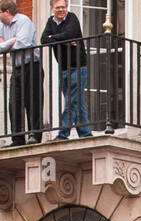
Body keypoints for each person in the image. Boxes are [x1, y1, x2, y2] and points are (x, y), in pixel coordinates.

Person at [41, 0, 91, 140]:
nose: (61, 10)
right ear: (52, 9)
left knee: (72, 101)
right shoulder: (50, 22)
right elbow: (44, 39)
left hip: (78, 66)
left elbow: (70, 33)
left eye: (63, 7)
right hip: (63, 67)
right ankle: (86, 133)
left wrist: (55, 39)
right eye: (58, 8)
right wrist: (64, 42)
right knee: (77, 101)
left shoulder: (72, 18)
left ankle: (63, 133)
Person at [0, 1, 42, 146]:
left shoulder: (24, 21)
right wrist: (10, 42)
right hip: (17, 68)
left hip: (32, 65)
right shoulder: (2, 26)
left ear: (6, 12)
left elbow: (22, 44)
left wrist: (8, 44)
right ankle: (17, 138)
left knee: (33, 101)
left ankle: (35, 135)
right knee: (14, 103)